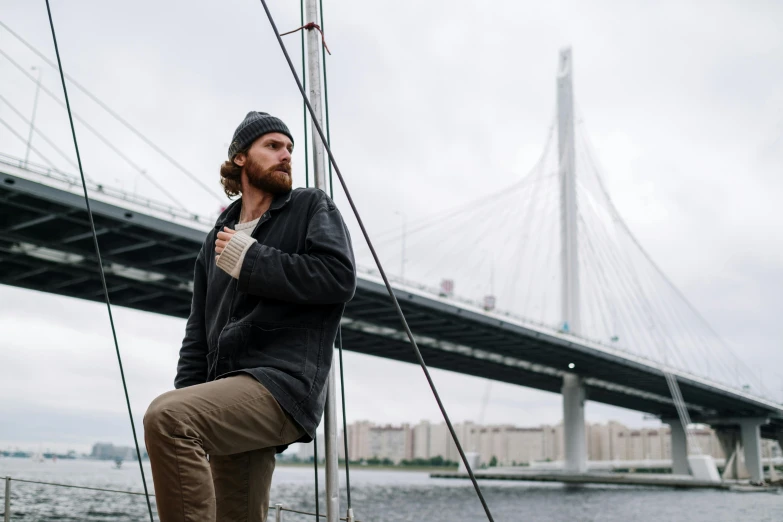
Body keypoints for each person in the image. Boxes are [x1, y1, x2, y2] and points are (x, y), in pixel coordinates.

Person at [144, 111, 356, 522]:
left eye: (289, 148)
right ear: (241, 158)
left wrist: (251, 258)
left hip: (281, 383)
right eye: (273, 146)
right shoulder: (216, 238)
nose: (286, 156)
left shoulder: (310, 207)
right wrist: (190, 395)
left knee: (166, 418)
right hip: (229, 390)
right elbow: (199, 333)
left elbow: (338, 277)